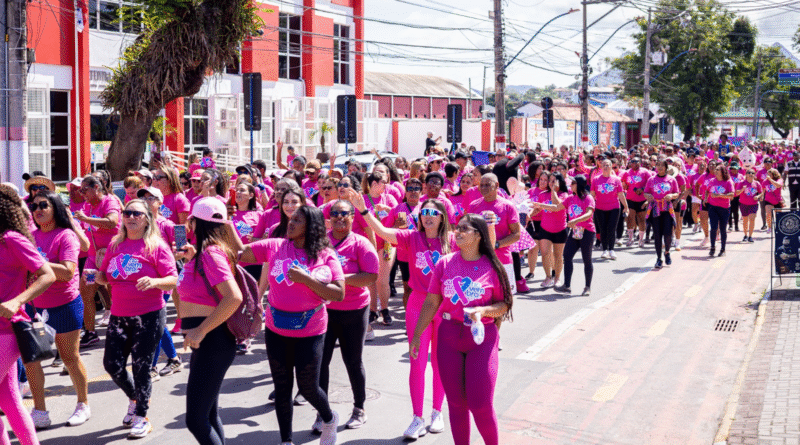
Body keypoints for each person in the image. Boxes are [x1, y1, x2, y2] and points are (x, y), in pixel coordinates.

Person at [349, 192, 453, 439]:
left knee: (440, 361)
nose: (427, 217)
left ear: (442, 217)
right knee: (417, 361)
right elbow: (384, 232)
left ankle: (437, 412)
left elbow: (479, 249)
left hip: (446, 306)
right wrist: (364, 211)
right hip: (418, 303)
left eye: (432, 213)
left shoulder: (452, 239)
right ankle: (417, 418)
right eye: (423, 213)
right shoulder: (411, 238)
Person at [239, 206, 344, 445]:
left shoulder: (325, 254)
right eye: (290, 218)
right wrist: (223, 228)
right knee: (282, 387)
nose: (291, 223)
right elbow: (242, 252)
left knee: (308, 388)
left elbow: (338, 293)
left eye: (297, 220)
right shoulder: (276, 245)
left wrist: (307, 279)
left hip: (311, 329)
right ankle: (286, 440)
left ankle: (329, 418)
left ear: (311, 227)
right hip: (277, 328)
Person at [410, 214, 512, 445]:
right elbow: (431, 302)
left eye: (464, 229)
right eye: (457, 227)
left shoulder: (493, 265)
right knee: (456, 404)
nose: (457, 231)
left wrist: (484, 311)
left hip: (481, 338)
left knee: (480, 404)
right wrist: (417, 335)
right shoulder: (444, 263)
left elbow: (504, 304)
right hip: (448, 337)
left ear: (478, 234)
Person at [94, 199, 178, 439]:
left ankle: (142, 415)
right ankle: (134, 397)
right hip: (119, 315)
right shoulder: (116, 244)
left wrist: (155, 282)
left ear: (146, 219)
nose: (131, 217)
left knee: (142, 368)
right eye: (127, 212)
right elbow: (105, 276)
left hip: (149, 315)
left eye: (137, 214)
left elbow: (173, 279)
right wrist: (98, 277)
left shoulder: (156, 246)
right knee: (112, 365)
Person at [173, 197, 243, 445]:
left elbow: (233, 297)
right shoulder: (205, 253)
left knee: (196, 419)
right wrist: (192, 259)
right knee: (209, 414)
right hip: (210, 341)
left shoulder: (212, 254)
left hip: (213, 340)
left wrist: (200, 330)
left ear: (192, 223)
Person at [26, 191, 92, 428]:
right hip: (35, 307)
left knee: (69, 358)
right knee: (31, 361)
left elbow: (66, 272)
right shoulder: (30, 236)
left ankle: (83, 404)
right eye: (34, 207)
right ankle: (40, 411)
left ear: (55, 208)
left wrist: (35, 263)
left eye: (44, 205)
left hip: (64, 304)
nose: (38, 210)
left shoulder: (66, 236)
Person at [0, 184, 57, 445]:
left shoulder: (12, 239)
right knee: (10, 400)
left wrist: (17, 299)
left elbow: (48, 274)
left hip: (6, 330)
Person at [318, 200, 379, 432]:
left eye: (344, 214)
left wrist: (339, 279)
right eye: (334, 214)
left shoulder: (360, 243)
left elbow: (371, 275)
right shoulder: (322, 243)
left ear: (353, 217)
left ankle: (359, 408)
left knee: (353, 362)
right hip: (325, 311)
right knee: (321, 362)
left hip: (354, 311)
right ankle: (322, 413)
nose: (339, 218)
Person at [136, 188, 183, 379]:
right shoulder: (138, 224)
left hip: (163, 279)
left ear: (161, 203)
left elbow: (183, 249)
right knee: (155, 323)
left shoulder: (170, 225)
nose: (146, 201)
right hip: (143, 280)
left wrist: (170, 256)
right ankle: (173, 359)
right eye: (143, 198)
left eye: (151, 198)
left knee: (153, 321)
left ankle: (152, 367)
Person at [74, 174, 121, 347]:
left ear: (96, 188)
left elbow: (112, 222)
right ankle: (91, 332)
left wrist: (86, 219)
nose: (82, 193)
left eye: (85, 189)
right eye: (80, 190)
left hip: (113, 258)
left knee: (116, 292)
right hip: (94, 259)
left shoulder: (110, 202)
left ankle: (120, 327)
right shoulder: (87, 205)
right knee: (85, 292)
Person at [467, 174, 521, 292]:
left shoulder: (508, 206)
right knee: (481, 298)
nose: (484, 188)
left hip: (502, 260)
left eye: (487, 185)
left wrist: (496, 245)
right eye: (481, 185)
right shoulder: (473, 206)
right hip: (479, 260)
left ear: (497, 185)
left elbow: (516, 234)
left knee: (505, 300)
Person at [361, 172, 398, 325]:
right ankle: (372, 310)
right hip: (369, 244)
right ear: (373, 184)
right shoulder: (363, 200)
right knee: (371, 279)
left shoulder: (389, 198)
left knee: (383, 280)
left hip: (387, 244)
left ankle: (385, 309)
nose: (386, 185)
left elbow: (401, 217)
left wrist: (388, 210)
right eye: (383, 182)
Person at [557, 175, 595, 295]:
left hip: (587, 231)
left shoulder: (588, 198)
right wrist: (540, 206)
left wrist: (576, 220)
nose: (571, 185)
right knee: (567, 256)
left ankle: (587, 287)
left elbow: (589, 213)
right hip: (575, 231)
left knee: (586, 259)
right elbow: (557, 207)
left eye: (573, 183)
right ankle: (567, 286)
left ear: (579, 184)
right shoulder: (570, 198)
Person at [531, 173, 569, 288]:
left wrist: (553, 191)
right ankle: (548, 277)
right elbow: (538, 209)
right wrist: (529, 215)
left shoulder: (564, 195)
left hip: (560, 229)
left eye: (554, 181)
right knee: (545, 253)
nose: (551, 183)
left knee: (558, 256)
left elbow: (557, 205)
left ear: (560, 182)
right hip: (545, 229)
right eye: (550, 181)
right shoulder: (542, 195)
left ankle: (557, 278)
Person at [644, 159, 680, 268]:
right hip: (655, 210)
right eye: (658, 165)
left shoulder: (671, 179)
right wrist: (648, 196)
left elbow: (677, 193)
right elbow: (646, 192)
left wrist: (672, 196)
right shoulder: (651, 179)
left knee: (668, 234)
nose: (659, 167)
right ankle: (659, 258)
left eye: (662, 166)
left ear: (666, 167)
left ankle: (667, 252)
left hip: (667, 210)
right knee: (657, 235)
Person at [590, 159, 628, 260]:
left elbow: (621, 194)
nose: (606, 167)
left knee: (611, 229)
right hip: (600, 208)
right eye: (604, 165)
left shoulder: (616, 180)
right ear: (601, 167)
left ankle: (612, 250)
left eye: (608, 165)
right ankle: (605, 250)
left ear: (611, 167)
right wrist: (590, 207)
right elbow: (592, 194)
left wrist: (626, 206)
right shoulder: (596, 179)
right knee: (603, 229)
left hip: (614, 208)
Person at [704, 164, 735, 257]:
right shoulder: (712, 181)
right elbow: (707, 190)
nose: (715, 170)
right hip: (713, 207)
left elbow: (731, 195)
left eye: (718, 169)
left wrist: (719, 195)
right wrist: (706, 198)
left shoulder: (728, 182)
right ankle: (712, 247)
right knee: (713, 228)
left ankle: (723, 249)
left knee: (722, 229)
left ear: (722, 171)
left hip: (724, 208)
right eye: (715, 169)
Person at [621, 157, 651, 248]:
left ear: (640, 162)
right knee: (630, 219)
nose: (635, 163)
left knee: (641, 220)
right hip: (630, 199)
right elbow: (624, 184)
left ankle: (641, 239)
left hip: (642, 199)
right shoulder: (627, 173)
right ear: (630, 163)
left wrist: (642, 189)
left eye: (637, 161)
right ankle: (631, 239)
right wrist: (626, 186)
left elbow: (650, 183)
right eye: (633, 162)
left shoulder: (645, 172)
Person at [736, 168, 763, 243]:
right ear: (746, 174)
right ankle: (745, 235)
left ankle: (750, 236)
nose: (750, 174)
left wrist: (757, 197)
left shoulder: (757, 183)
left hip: (753, 204)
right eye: (749, 173)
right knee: (745, 220)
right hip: (743, 204)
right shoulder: (742, 183)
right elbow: (737, 193)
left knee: (752, 219)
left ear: (754, 175)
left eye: (752, 173)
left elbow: (761, 192)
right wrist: (742, 189)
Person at [762, 168, 784, 233]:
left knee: (779, 215)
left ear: (774, 175)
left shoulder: (779, 180)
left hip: (777, 200)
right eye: (767, 174)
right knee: (768, 213)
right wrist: (761, 196)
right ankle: (770, 227)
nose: (768, 176)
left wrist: (770, 180)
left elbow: (778, 185)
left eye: (770, 175)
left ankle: (778, 227)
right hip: (768, 200)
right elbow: (763, 190)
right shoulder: (765, 181)